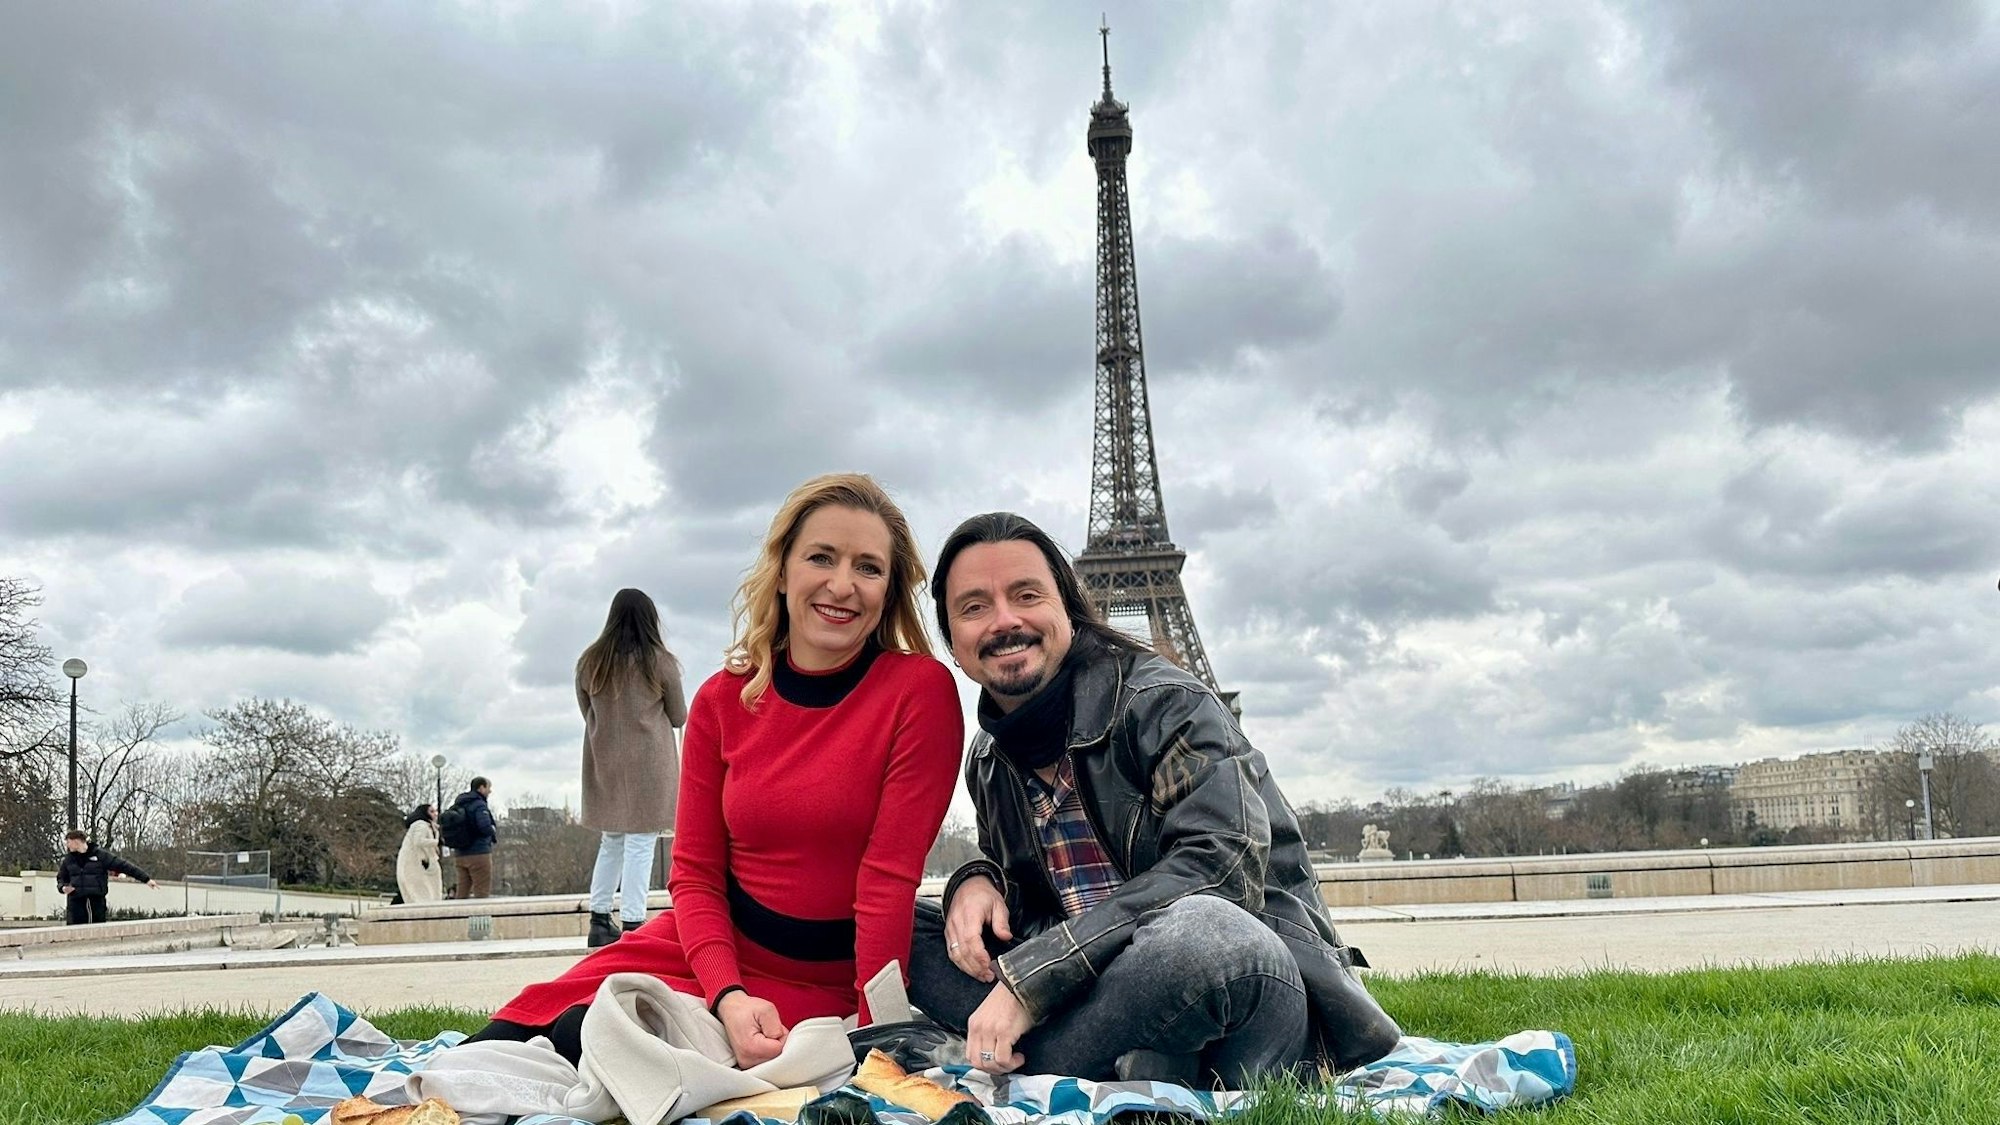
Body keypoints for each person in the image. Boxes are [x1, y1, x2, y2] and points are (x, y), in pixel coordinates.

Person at [467, 472, 963, 1067]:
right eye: (821, 557)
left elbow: (889, 878)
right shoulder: (720, 699)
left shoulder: (919, 691)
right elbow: (696, 876)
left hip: (830, 979)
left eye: (868, 567)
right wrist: (727, 993)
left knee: (616, 1056)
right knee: (502, 1049)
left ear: (889, 588)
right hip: (709, 952)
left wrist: (875, 1029)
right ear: (782, 571)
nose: (842, 585)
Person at [908, 512, 1402, 1085]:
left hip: (1240, 982)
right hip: (1103, 992)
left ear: (1067, 606)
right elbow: (1028, 905)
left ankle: (1047, 1061)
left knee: (1203, 934)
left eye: (1026, 594)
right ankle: (1106, 1057)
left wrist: (1034, 980)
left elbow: (1220, 868)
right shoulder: (990, 760)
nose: (1004, 621)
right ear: (952, 637)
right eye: (974, 607)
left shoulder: (1166, 705)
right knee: (895, 925)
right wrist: (975, 881)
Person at [576, 588, 689, 949]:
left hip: (604, 759)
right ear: (649, 619)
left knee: (611, 839)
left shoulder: (589, 661)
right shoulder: (659, 661)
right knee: (641, 841)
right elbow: (678, 716)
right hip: (648, 764)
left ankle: (598, 917)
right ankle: (634, 921)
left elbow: (585, 709)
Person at [56, 830, 158, 924]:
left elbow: (124, 866)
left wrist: (146, 879)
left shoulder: (100, 856)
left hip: (96, 902)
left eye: (68, 842)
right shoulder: (68, 860)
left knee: (97, 932)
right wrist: (63, 888)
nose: (67, 845)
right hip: (75, 904)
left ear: (76, 841)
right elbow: (61, 878)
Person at [447, 778, 498, 899]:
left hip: (460, 853)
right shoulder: (479, 805)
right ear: (481, 788)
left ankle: (459, 917)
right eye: (488, 788)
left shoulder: (458, 804)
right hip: (479, 853)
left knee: (462, 890)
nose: (490, 791)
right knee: (481, 890)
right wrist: (492, 829)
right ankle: (481, 918)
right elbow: (485, 827)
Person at [396, 804, 444, 905]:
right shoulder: (420, 825)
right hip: (414, 862)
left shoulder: (430, 826)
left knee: (422, 888)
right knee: (419, 888)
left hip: (421, 862)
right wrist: (436, 842)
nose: (435, 814)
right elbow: (418, 841)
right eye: (431, 811)